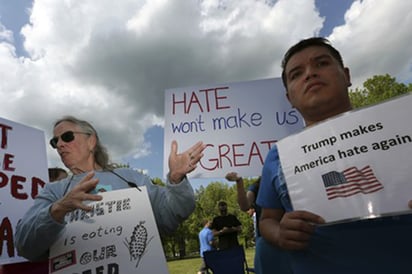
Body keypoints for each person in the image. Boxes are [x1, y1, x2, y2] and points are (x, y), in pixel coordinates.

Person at [257, 37, 412, 273]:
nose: (310, 74)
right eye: (296, 74)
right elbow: (267, 219)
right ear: (289, 98)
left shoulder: (401, 126)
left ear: (346, 76)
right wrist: (279, 234)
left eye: (321, 63)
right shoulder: (278, 156)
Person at [14, 115, 205, 262]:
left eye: (67, 136)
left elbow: (172, 215)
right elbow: (24, 246)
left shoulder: (132, 179)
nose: (60, 145)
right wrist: (58, 209)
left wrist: (176, 179)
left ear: (91, 141)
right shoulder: (54, 192)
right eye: (55, 142)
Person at [0, 168, 68, 274]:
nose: (66, 185)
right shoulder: (37, 207)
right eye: (62, 180)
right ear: (49, 181)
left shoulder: (64, 212)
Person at [227, 172, 292, 274]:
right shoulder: (258, 186)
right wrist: (239, 182)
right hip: (267, 241)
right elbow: (245, 205)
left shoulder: (293, 178)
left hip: (293, 238)